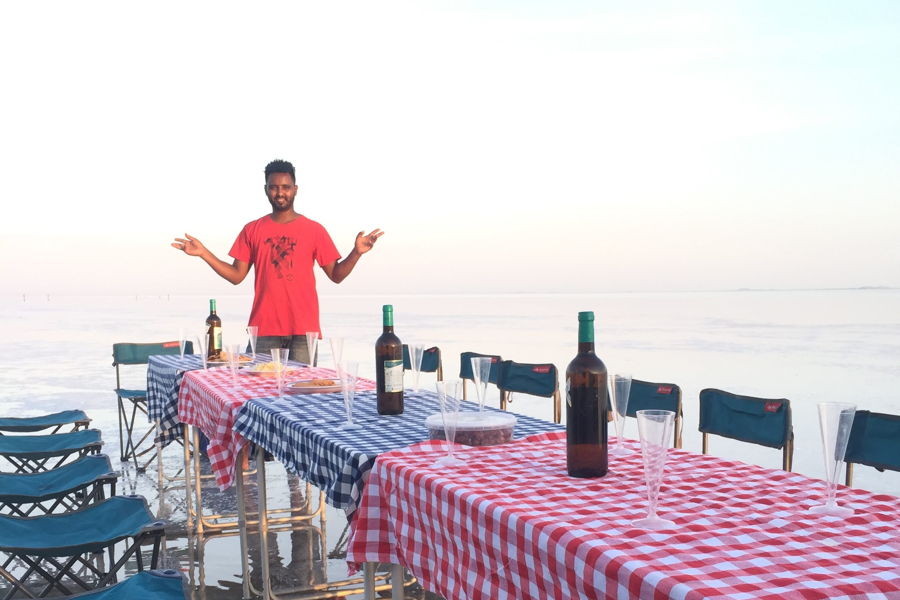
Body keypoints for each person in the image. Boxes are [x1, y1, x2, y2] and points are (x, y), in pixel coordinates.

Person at [172, 159, 383, 363]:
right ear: (265, 190)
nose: (280, 193)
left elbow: (336, 275)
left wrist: (356, 253)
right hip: (264, 329)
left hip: (303, 330)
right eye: (274, 187)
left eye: (286, 187)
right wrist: (204, 253)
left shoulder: (314, 230)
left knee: (301, 388)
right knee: (256, 385)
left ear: (295, 189)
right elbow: (236, 276)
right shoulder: (252, 230)